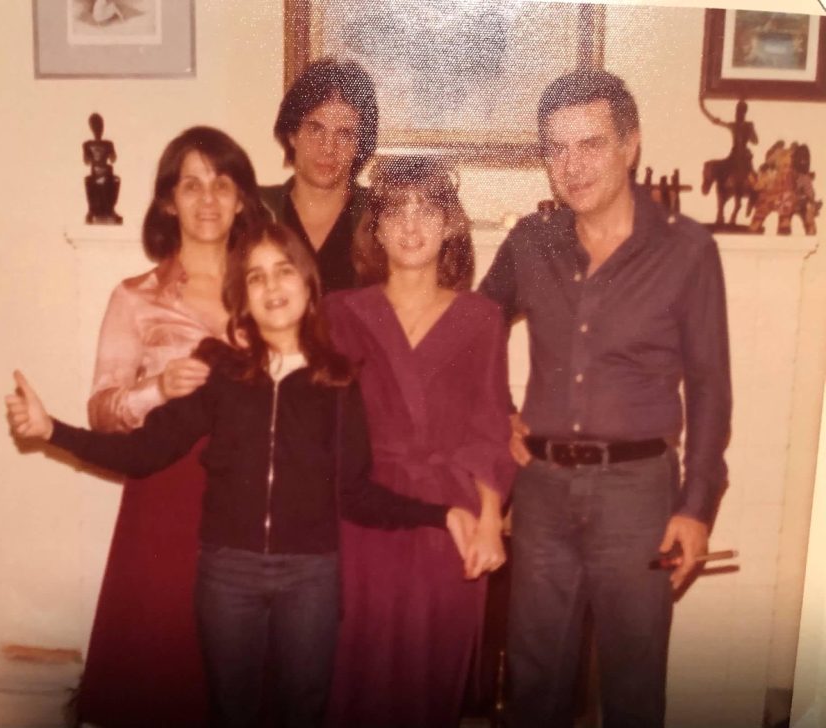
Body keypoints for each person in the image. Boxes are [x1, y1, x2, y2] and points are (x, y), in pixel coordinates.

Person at [7, 222, 481, 728]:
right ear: (243, 297)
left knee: (301, 715)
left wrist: (441, 512)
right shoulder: (221, 373)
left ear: (307, 283)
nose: (272, 287)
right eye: (256, 278)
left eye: (283, 271)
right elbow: (144, 452)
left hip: (310, 578)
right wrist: (51, 430)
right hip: (227, 575)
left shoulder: (339, 380)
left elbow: (357, 493)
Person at [479, 69, 731, 728]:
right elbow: (471, 334)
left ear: (631, 145)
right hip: (540, 492)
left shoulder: (687, 250)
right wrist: (496, 415)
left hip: (638, 496)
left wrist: (697, 507)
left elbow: (710, 386)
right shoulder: (530, 244)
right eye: (556, 148)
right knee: (535, 684)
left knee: (633, 686)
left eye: (590, 143)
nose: (572, 164)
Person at [76, 126, 268, 728]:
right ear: (168, 201)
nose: (207, 199)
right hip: (165, 493)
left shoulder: (272, 289)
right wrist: (158, 389)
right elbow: (101, 409)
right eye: (191, 185)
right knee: (159, 671)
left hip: (252, 496)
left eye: (221, 183)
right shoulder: (135, 298)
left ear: (241, 199)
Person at [323, 156, 516, 727]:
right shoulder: (339, 312)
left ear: (451, 224)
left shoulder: (482, 319)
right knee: (351, 680)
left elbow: (490, 428)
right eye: (396, 211)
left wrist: (488, 522)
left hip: (447, 520)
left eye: (427, 209)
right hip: (362, 516)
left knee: (428, 685)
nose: (411, 225)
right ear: (375, 228)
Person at [261, 57, 378, 294]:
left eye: (344, 134)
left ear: (359, 145)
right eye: (316, 129)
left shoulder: (379, 213)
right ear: (293, 134)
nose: (328, 148)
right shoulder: (256, 207)